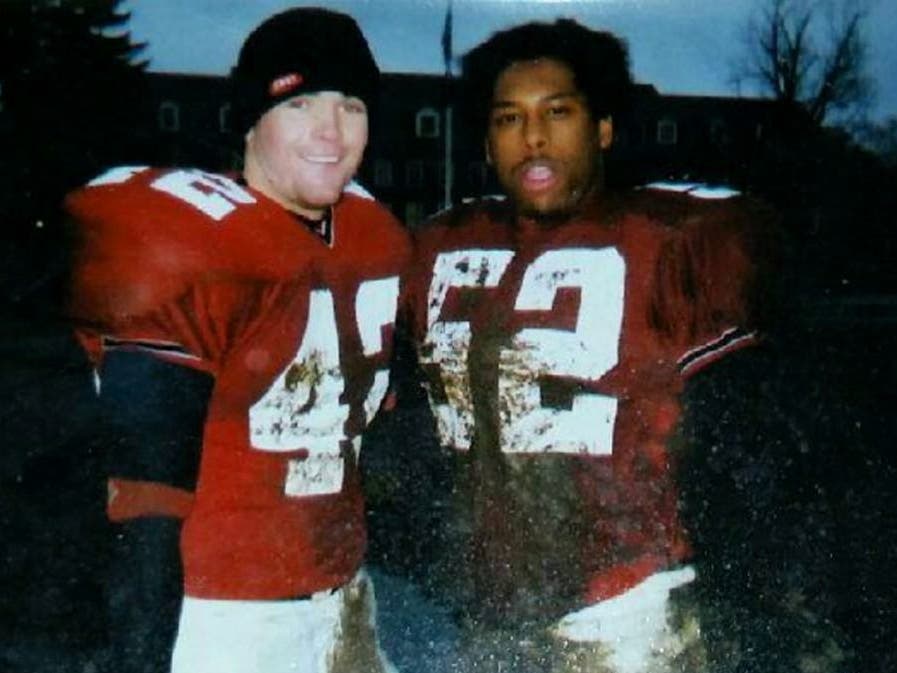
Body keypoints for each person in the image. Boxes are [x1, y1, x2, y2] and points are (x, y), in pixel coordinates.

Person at [396, 18, 782, 673]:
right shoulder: (438, 243)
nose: (533, 136)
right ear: (486, 141)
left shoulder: (673, 236)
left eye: (558, 112)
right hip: (488, 613)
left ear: (602, 127)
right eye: (509, 118)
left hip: (626, 611)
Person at [64, 7, 408, 673]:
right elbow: (145, 499)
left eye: (352, 106)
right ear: (250, 121)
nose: (330, 130)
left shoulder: (374, 235)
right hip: (221, 619)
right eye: (299, 103)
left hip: (345, 603)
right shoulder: (186, 242)